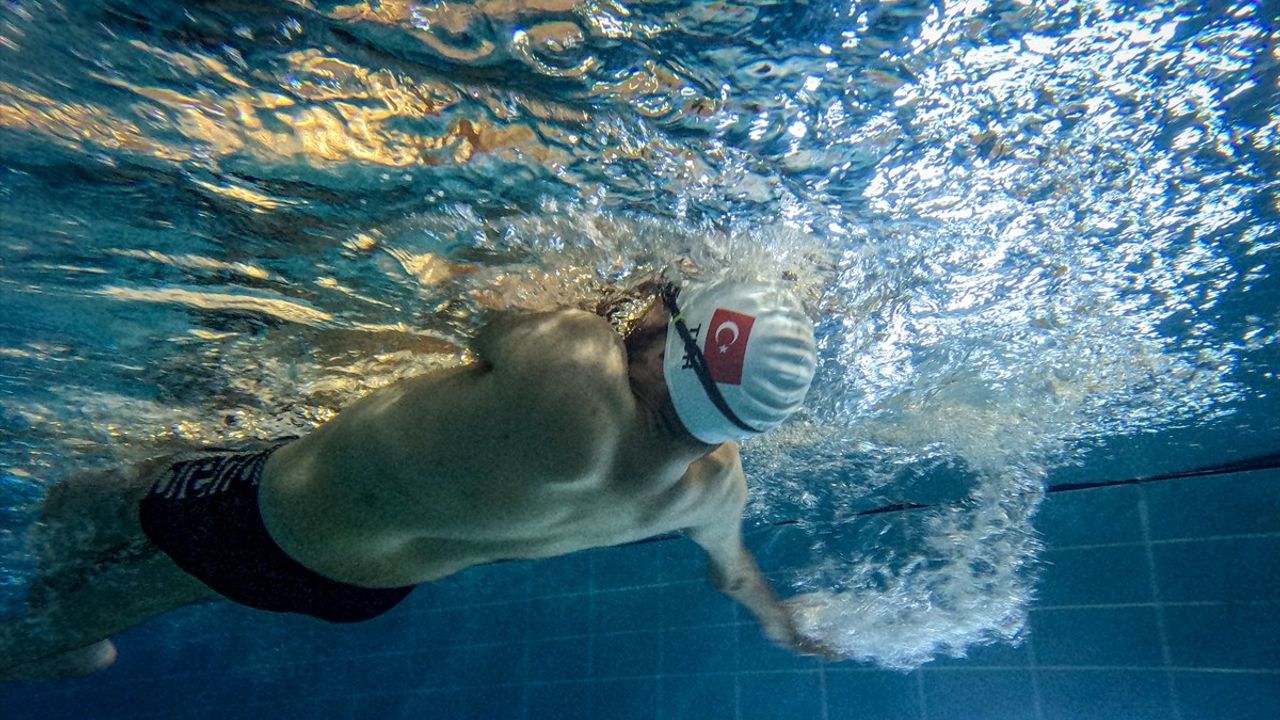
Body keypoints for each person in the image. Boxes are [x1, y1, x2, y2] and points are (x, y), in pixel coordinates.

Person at [0, 279, 829, 681]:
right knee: (168, 568)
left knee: (99, 518)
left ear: (669, 351)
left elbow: (476, 288)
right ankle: (76, 612)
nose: (651, 302)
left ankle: (43, 645)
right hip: (358, 587)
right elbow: (734, 575)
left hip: (263, 513)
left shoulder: (572, 369)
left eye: (667, 305)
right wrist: (784, 621)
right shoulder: (716, 487)